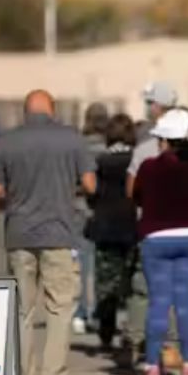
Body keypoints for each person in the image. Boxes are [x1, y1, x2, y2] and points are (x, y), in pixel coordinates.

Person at [0, 89, 96, 375]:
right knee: (60, 308)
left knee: (22, 310)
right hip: (60, 233)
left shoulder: (6, 142)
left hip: (19, 234)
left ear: (25, 111)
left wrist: (18, 194)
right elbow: (90, 184)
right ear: (52, 109)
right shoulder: (72, 139)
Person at [125, 85, 188, 373]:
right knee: (187, 301)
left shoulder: (147, 162)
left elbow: (134, 194)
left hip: (155, 234)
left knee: (156, 299)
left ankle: (151, 361)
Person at [85, 113, 138, 351]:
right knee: (130, 281)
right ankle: (131, 331)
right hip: (131, 226)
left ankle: (106, 333)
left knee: (105, 282)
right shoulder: (137, 160)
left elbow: (91, 192)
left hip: (105, 226)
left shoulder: (100, 161)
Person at [74, 103, 110, 335]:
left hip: (79, 209)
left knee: (81, 265)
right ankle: (99, 311)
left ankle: (80, 312)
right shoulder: (108, 147)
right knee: (102, 265)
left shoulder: (77, 147)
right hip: (104, 210)